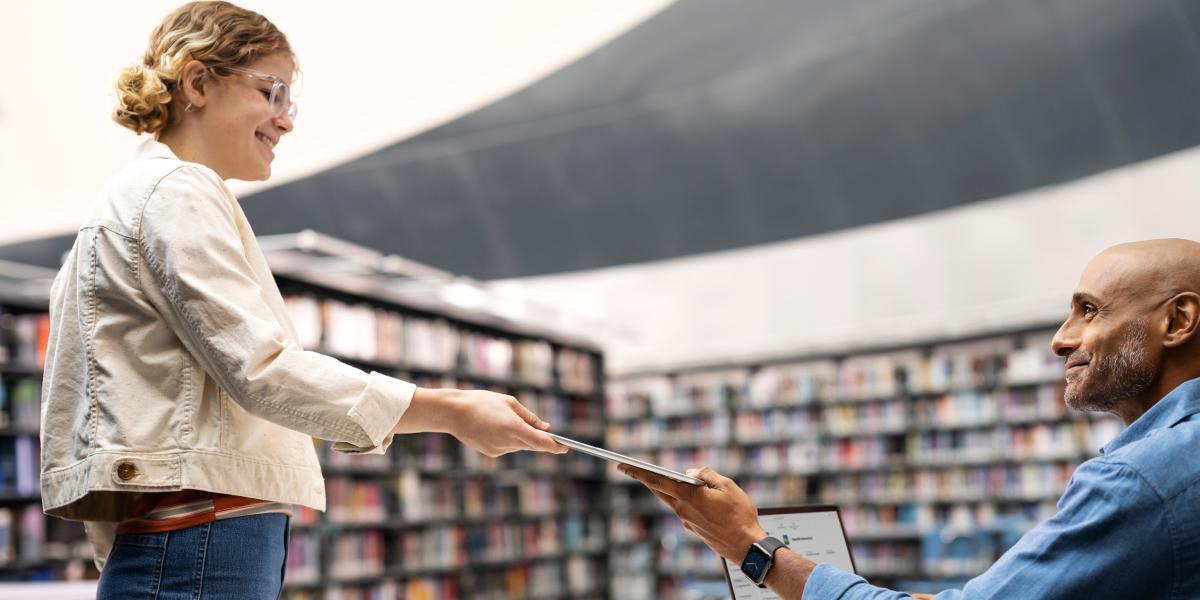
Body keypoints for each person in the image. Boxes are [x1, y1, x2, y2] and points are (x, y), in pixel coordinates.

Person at [39, 3, 565, 598]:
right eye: (271, 92)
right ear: (196, 82)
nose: (285, 120)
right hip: (200, 538)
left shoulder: (134, 202)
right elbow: (260, 369)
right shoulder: (174, 190)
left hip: (186, 537)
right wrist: (452, 411)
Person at [621, 238, 1200, 599]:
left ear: (1178, 321)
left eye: (1088, 310)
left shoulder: (1142, 482)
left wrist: (751, 546)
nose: (1060, 340)